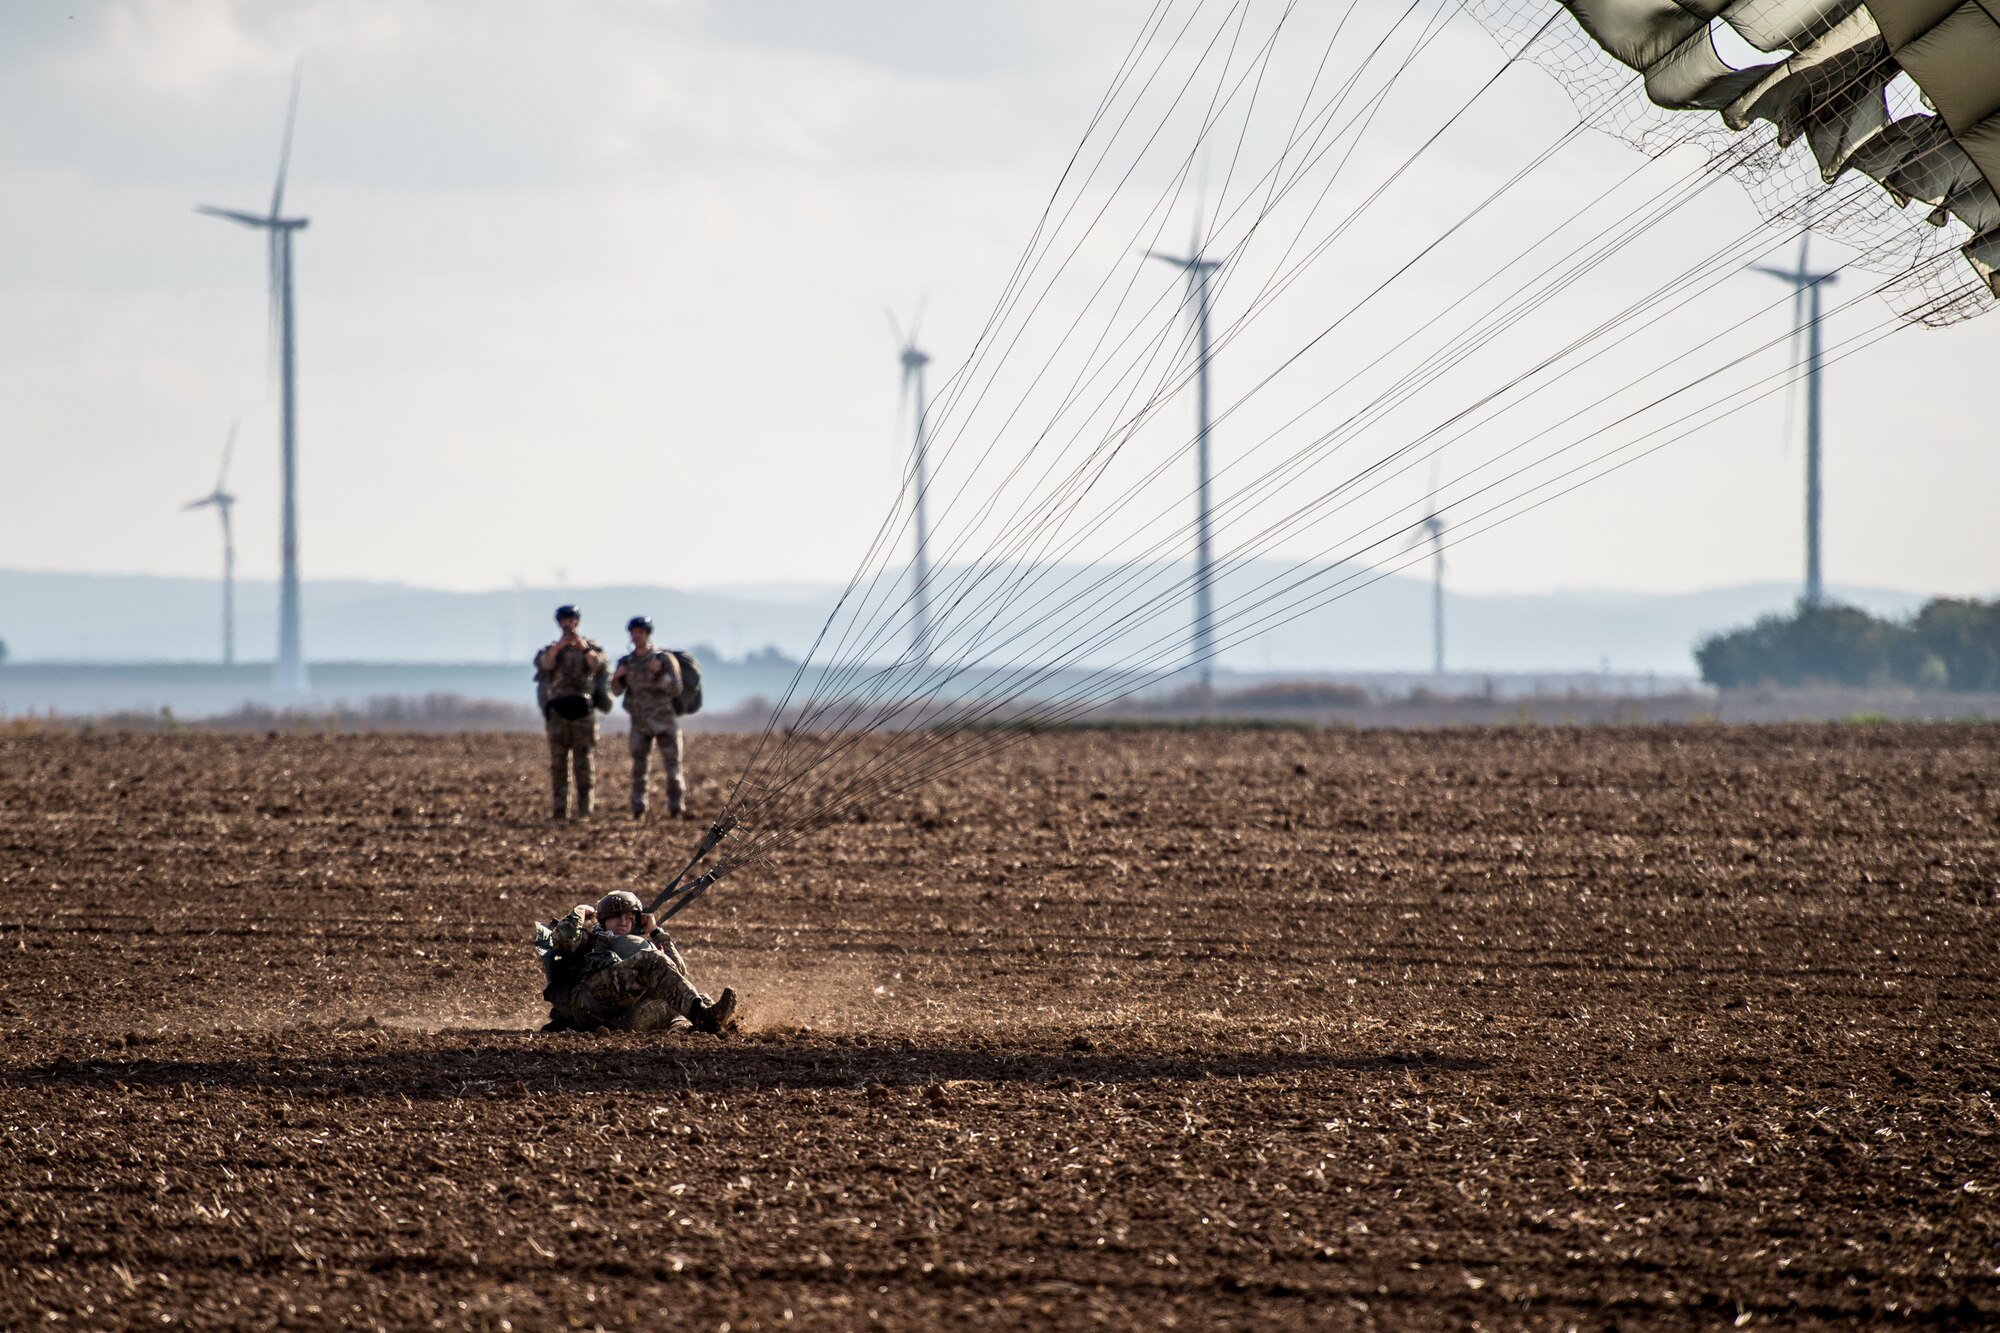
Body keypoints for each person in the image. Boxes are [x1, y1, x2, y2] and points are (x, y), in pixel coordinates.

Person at [541, 890, 738, 1034]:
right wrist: (579, 911)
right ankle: (702, 1018)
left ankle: (697, 1027)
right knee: (650, 961)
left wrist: (656, 933)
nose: (623, 922)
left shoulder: (642, 944)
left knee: (695, 999)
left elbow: (677, 971)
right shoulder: (589, 938)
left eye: (629, 917)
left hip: (622, 1018)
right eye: (616, 916)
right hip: (589, 1000)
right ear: (603, 919)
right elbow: (563, 940)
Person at [534, 604, 611, 820]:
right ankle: (560, 811)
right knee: (558, 764)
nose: (568, 624)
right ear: (558, 623)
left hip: (583, 713)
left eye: (571, 619)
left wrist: (584, 649)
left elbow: (599, 667)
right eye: (564, 620)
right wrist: (558, 648)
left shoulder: (591, 647)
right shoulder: (550, 649)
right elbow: (543, 665)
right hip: (558, 712)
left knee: (584, 763)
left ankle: (585, 809)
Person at [611, 615, 686, 818]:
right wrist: (617, 677)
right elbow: (616, 692)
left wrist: (660, 674)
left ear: (647, 635)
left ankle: (676, 807)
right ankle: (638, 808)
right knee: (639, 769)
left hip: (665, 721)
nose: (637, 636)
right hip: (639, 722)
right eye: (634, 633)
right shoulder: (626, 662)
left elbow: (676, 688)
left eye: (640, 633)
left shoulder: (663, 659)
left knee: (672, 768)